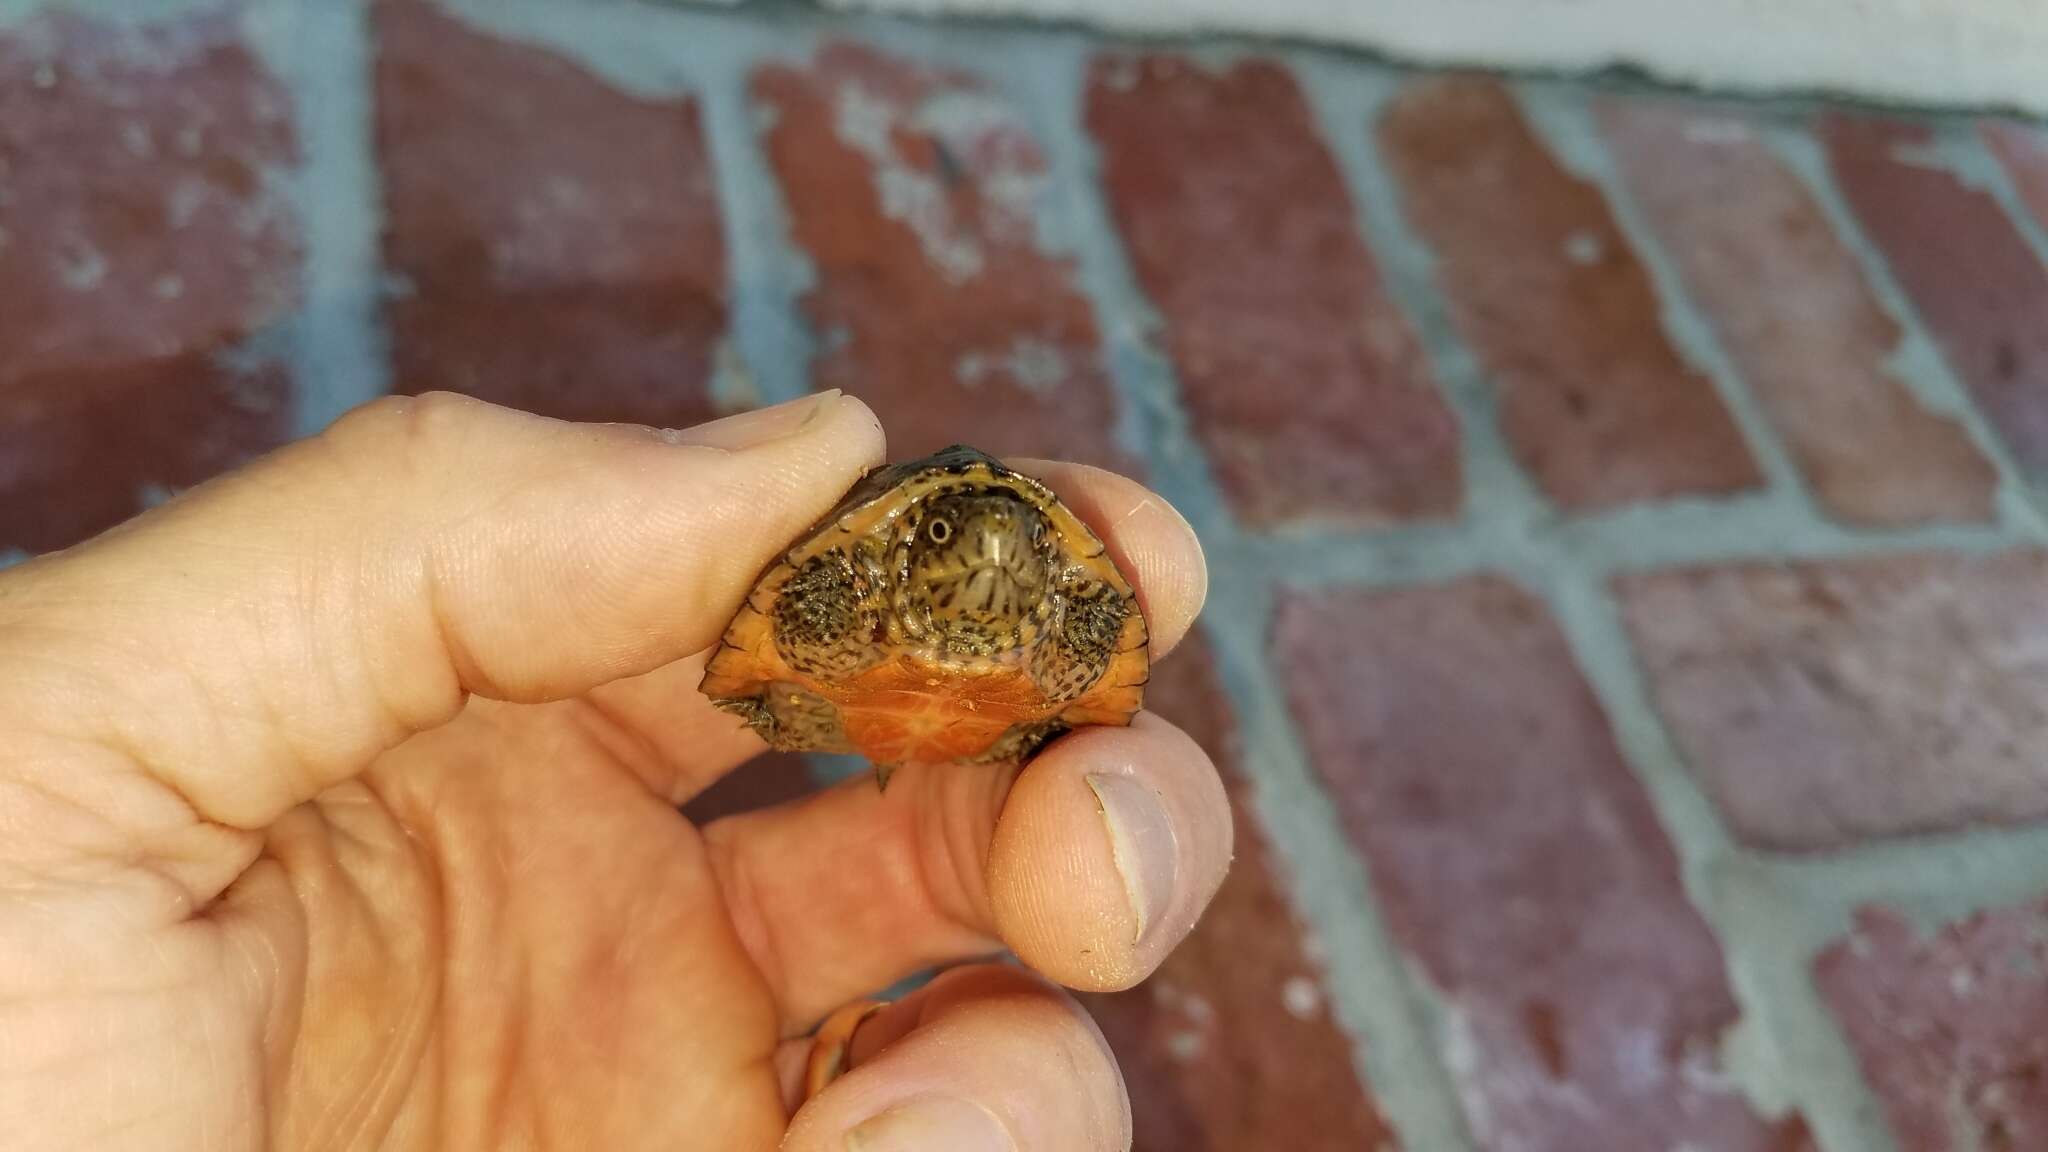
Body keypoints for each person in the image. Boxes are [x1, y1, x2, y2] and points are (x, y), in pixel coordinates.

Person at [0, 390, 1233, 1151]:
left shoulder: (1055, 620)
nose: (983, 566)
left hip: (934, 731)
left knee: (1074, 851)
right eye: (952, 537)